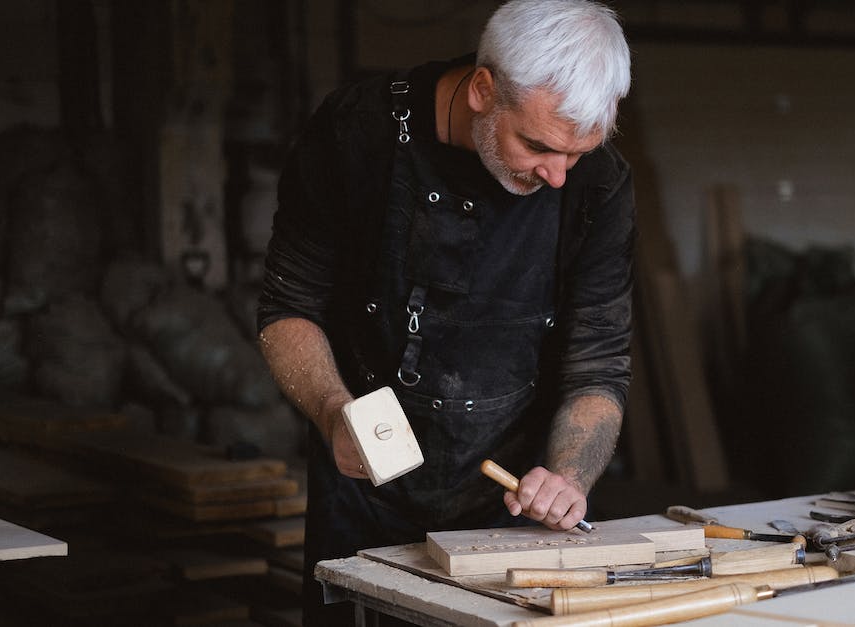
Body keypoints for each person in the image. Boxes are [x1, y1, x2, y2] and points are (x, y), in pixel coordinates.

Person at [256, 0, 635, 623]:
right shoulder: (359, 134)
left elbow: (598, 363)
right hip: (363, 490)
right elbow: (287, 306)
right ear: (484, 89)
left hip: (513, 506)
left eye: (579, 152)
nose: (559, 176)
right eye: (537, 146)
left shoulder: (600, 184)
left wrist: (567, 479)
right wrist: (332, 413)